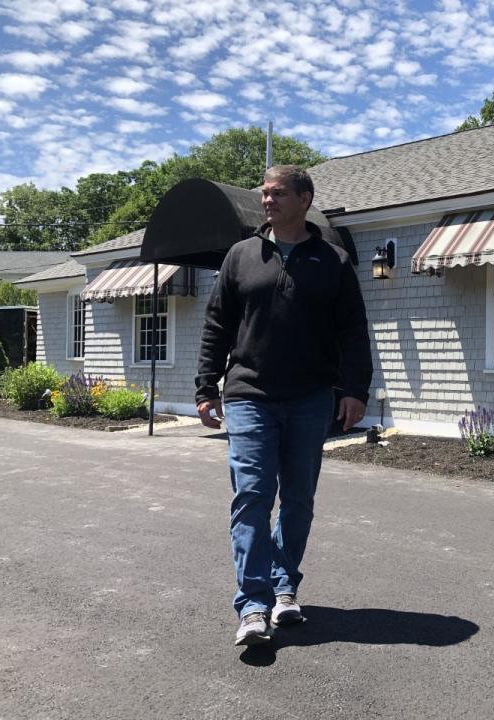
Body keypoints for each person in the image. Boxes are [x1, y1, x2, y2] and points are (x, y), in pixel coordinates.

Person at [195, 164, 372, 646]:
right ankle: (252, 605)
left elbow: (353, 331)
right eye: (264, 194)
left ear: (305, 199)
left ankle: (284, 585)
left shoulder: (332, 261)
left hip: (311, 398)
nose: (267, 201)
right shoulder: (240, 256)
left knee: (297, 501)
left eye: (277, 194)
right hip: (250, 394)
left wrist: (356, 388)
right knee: (251, 497)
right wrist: (205, 387)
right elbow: (217, 326)